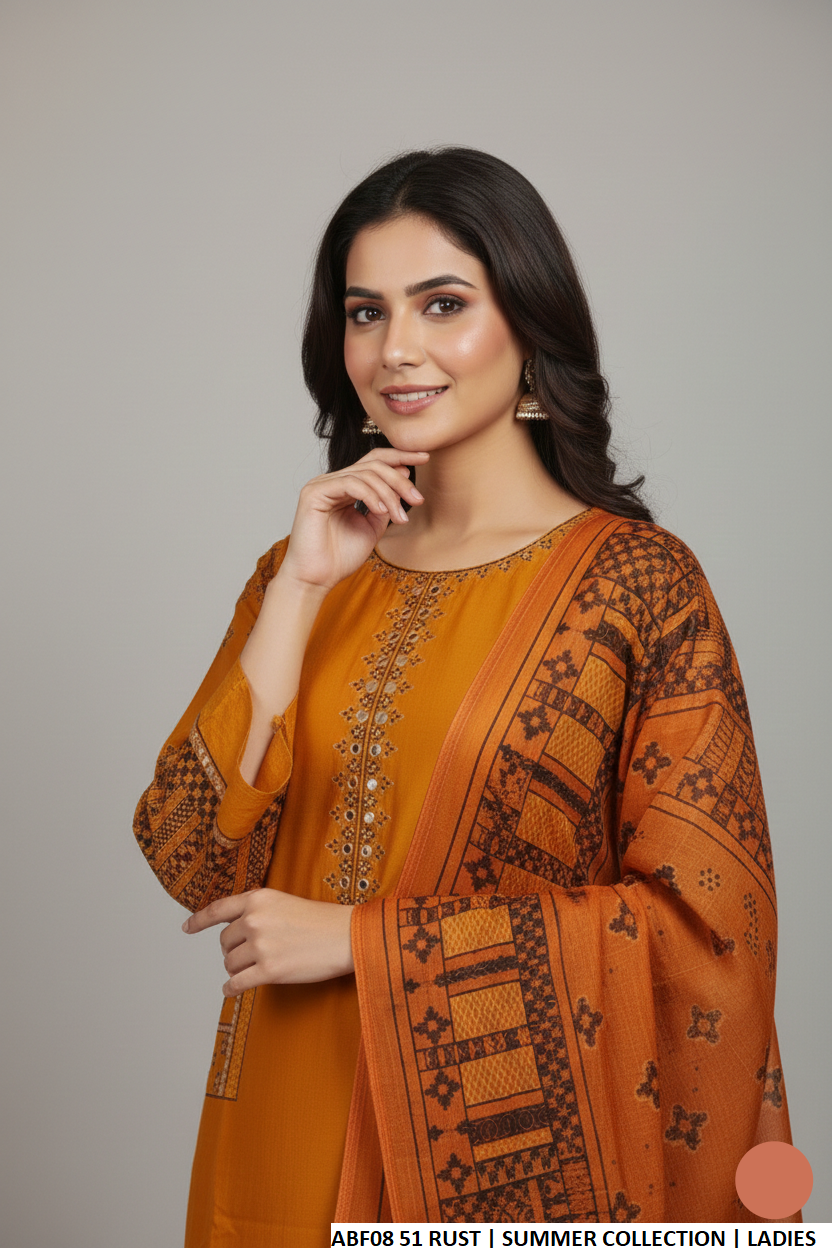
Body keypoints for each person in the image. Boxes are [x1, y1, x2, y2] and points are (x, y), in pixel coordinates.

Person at [134, 147, 794, 1242]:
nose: (395, 349)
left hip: (495, 1160)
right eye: (366, 312)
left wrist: (365, 944)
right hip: (279, 1117)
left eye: (442, 304)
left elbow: (705, 934)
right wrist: (297, 594)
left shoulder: (637, 587)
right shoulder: (300, 571)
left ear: (528, 323)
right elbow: (190, 852)